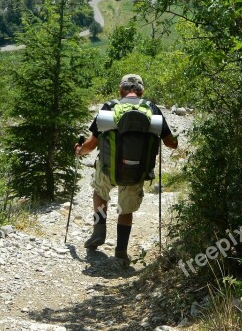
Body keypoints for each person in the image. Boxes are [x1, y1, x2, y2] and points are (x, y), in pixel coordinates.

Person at [75, 74, 178, 264]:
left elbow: (91, 144)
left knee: (100, 192)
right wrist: (176, 140)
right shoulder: (152, 109)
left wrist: (80, 150)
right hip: (137, 171)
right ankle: (121, 250)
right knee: (126, 209)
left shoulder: (110, 107)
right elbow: (171, 143)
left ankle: (99, 230)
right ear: (141, 91)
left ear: (121, 90)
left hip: (108, 169)